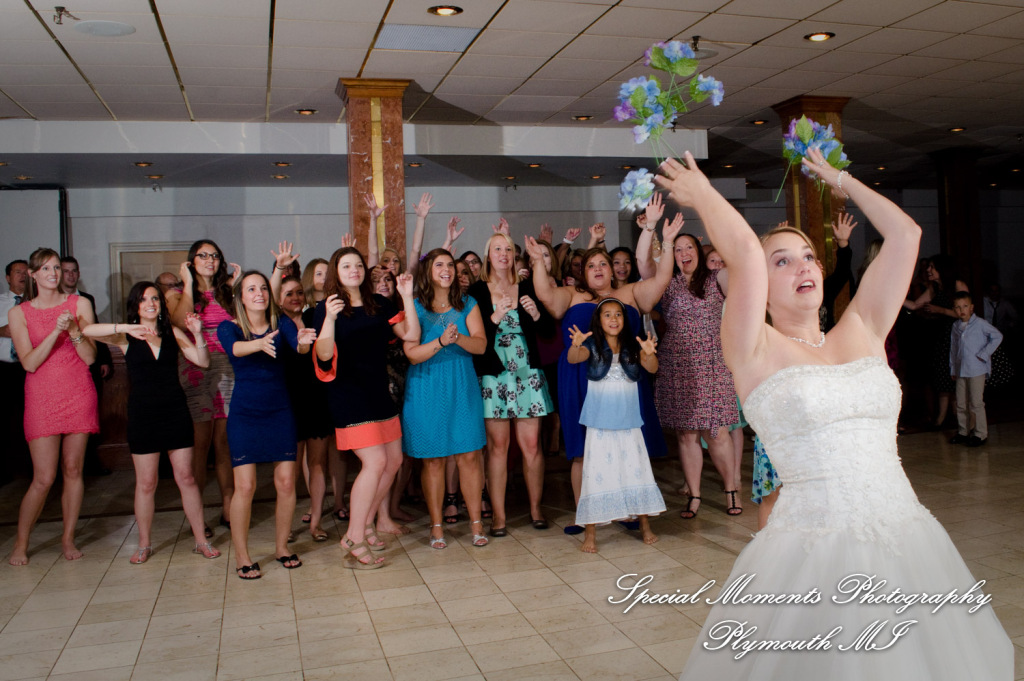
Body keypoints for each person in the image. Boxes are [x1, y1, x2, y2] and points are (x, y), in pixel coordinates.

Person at [657, 149, 1012, 678]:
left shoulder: (861, 327)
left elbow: (906, 234)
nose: (802, 266)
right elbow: (745, 255)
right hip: (813, 551)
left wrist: (840, 179)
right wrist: (704, 196)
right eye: (782, 261)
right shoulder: (753, 348)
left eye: (808, 256)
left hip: (905, 535)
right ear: (758, 286)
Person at [525, 215, 680, 533]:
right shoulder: (572, 295)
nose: (597, 269)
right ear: (582, 272)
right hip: (579, 377)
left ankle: (627, 509)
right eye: (591, 265)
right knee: (583, 449)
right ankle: (586, 514)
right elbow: (544, 295)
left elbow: (662, 279)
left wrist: (667, 242)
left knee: (626, 444)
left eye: (603, 265)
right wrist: (538, 261)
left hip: (624, 379)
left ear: (612, 270)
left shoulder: (631, 293)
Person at [82, 282, 219, 563]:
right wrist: (126, 327)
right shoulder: (126, 337)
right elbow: (87, 330)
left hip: (175, 410)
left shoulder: (173, 333)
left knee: (187, 477)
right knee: (146, 483)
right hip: (143, 414)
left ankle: (201, 540)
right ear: (136, 305)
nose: (151, 303)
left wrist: (198, 334)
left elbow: (202, 361)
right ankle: (144, 544)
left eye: (155, 298)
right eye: (144, 299)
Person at [313, 248, 420, 569]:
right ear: (336, 272)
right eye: (346, 265)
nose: (354, 270)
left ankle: (368, 524)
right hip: (348, 395)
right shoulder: (325, 308)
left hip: (378, 393)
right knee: (374, 462)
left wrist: (406, 296)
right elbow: (323, 355)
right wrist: (330, 319)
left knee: (393, 461)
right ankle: (354, 536)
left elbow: (411, 334)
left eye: (358, 265)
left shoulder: (380, 304)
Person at [219, 271, 316, 579]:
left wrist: (303, 342)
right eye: (251, 289)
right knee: (245, 486)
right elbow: (235, 349)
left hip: (280, 411)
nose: (259, 293)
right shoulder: (229, 327)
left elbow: (298, 346)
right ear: (240, 297)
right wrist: (259, 343)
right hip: (245, 415)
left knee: (286, 482)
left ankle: (282, 548)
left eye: (263, 287)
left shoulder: (281, 322)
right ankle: (242, 556)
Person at [7, 248, 97, 565]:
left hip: (78, 392)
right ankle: (20, 543)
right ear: (33, 275)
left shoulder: (79, 304)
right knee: (43, 478)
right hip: (42, 396)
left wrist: (73, 331)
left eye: (56, 267)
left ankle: (68, 538)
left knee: (73, 470)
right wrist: (56, 332)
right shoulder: (19, 313)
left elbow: (90, 357)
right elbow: (29, 363)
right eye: (45, 268)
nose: (53, 273)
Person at [468, 232, 554, 536]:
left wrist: (536, 313)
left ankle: (536, 509)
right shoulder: (477, 291)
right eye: (497, 249)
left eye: (507, 249)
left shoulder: (527, 286)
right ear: (488, 255)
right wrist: (496, 315)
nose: (503, 254)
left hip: (526, 372)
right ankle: (499, 516)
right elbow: (475, 337)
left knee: (532, 445)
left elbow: (547, 330)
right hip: (494, 373)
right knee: (498, 447)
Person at [402, 248, 489, 550]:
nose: (446, 270)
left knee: (469, 456)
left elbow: (481, 346)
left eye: (450, 265)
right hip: (426, 385)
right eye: (439, 265)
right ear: (428, 271)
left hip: (461, 384)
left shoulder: (468, 303)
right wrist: (440, 341)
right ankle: (436, 525)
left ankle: (476, 523)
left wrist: (458, 338)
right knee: (434, 460)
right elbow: (412, 355)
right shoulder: (416, 306)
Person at [567, 299, 664, 553]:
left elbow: (652, 367)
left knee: (636, 471)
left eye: (618, 314)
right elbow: (573, 358)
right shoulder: (591, 345)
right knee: (595, 474)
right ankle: (590, 532)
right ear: (599, 321)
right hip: (600, 423)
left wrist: (649, 353)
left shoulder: (633, 345)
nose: (613, 319)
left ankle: (645, 526)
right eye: (607, 315)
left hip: (628, 421)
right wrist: (576, 344)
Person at [656, 231, 741, 518]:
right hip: (678, 364)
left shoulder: (715, 278)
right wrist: (654, 230)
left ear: (699, 251)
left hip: (712, 364)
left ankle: (731, 489)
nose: (684, 253)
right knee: (686, 434)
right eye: (678, 249)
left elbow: (742, 274)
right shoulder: (667, 283)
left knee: (717, 432)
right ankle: (694, 495)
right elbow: (644, 265)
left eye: (689, 247)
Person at [167, 239, 239, 537]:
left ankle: (228, 508)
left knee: (225, 444)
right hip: (195, 371)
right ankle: (197, 517)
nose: (210, 260)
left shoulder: (226, 292)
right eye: (203, 255)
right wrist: (186, 283)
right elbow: (177, 321)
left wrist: (238, 286)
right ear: (191, 261)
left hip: (228, 371)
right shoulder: (176, 293)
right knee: (199, 446)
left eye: (215, 255)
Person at [949, 291, 1002, 447]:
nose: (962, 310)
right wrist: (953, 368)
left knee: (976, 403)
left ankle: (980, 434)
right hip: (961, 369)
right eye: (958, 307)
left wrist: (984, 354)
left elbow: (997, 336)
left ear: (971, 307)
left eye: (965, 306)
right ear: (954, 309)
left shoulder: (980, 324)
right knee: (961, 403)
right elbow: (953, 348)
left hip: (976, 369)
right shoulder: (955, 326)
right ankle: (963, 432)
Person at [0, 260, 30, 473]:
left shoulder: (35, 303)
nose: (22, 276)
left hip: (28, 368)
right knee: (4, 418)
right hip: (3, 369)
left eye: (25, 272)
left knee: (28, 418)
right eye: (17, 272)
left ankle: (30, 467)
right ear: (8, 278)